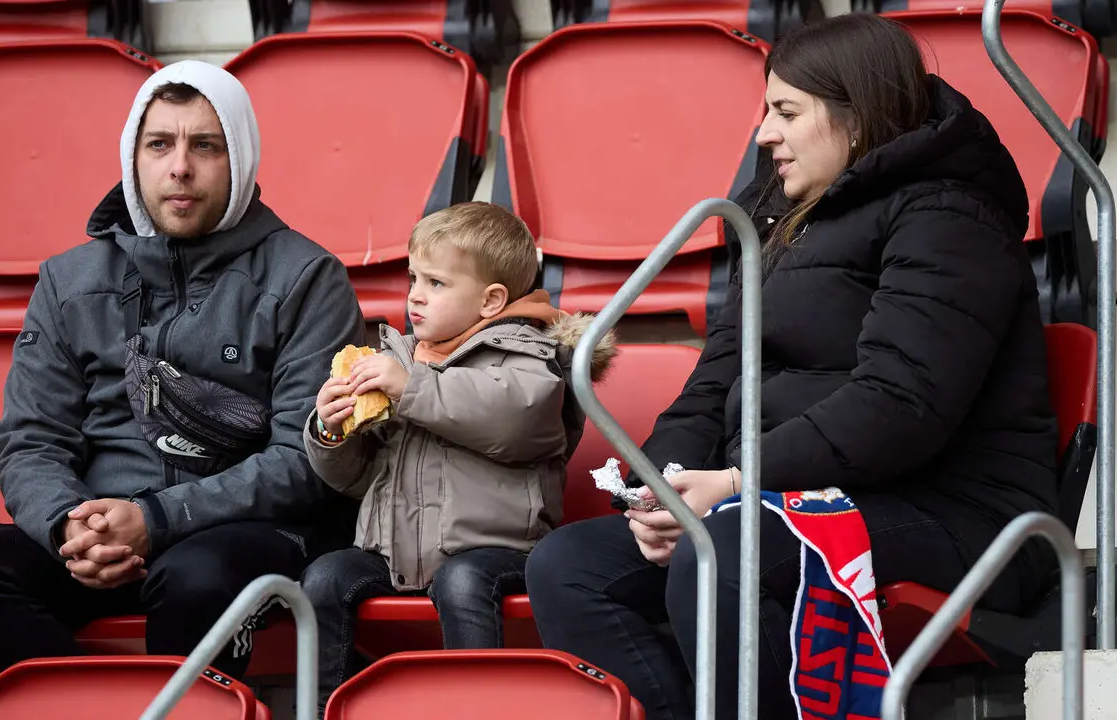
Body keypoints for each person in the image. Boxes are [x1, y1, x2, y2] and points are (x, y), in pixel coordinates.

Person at [524, 14, 1059, 720]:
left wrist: (743, 480)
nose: (764, 134)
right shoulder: (780, 224)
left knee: (728, 554)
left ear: (857, 118)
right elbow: (714, 379)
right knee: (567, 568)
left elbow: (901, 404)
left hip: (947, 511)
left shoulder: (950, 216)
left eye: (786, 112)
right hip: (782, 500)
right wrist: (663, 486)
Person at [0, 60, 365, 682]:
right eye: (159, 144)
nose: (179, 166)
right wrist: (68, 526)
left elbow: (304, 458)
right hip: (99, 531)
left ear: (239, 159)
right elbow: (31, 439)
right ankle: (105, 706)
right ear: (134, 158)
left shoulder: (307, 277)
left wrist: (156, 520)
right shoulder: (69, 279)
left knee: (195, 577)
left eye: (204, 146)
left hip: (242, 533)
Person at [300, 201, 615, 711]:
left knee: (463, 580)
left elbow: (513, 419)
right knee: (326, 576)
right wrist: (333, 433)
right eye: (412, 279)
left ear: (491, 300)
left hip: (500, 549)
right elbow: (359, 479)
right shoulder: (402, 359)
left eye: (436, 283)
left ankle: (475, 706)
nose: (415, 297)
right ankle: (327, 706)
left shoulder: (529, 358)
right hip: (395, 552)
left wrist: (412, 389)